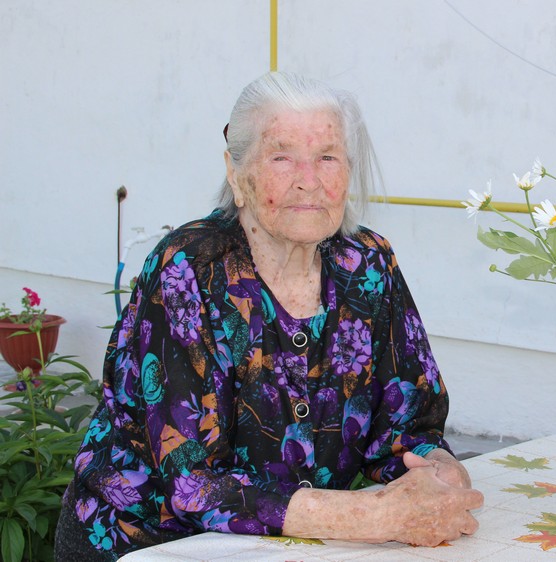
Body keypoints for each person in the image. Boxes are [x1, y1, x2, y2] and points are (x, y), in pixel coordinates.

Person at [55, 71, 483, 560]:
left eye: (327, 157)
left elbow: (406, 427)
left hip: (291, 550)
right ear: (237, 175)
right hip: (145, 547)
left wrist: (435, 467)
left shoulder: (368, 265)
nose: (309, 179)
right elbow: (195, 485)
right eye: (282, 157)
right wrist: (378, 516)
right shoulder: (189, 269)